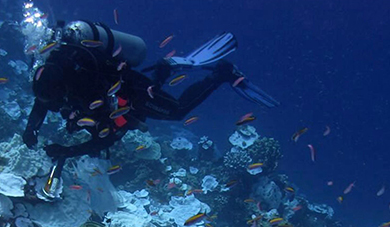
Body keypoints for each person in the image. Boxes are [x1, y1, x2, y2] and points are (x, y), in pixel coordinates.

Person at [22, 20, 277, 196]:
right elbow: (42, 101)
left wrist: (68, 151)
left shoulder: (84, 86)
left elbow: (108, 136)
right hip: (107, 93)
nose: (53, 106)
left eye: (56, 101)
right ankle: (165, 69)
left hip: (128, 92)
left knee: (177, 111)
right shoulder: (52, 73)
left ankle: (220, 73)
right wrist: (32, 127)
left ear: (63, 89)